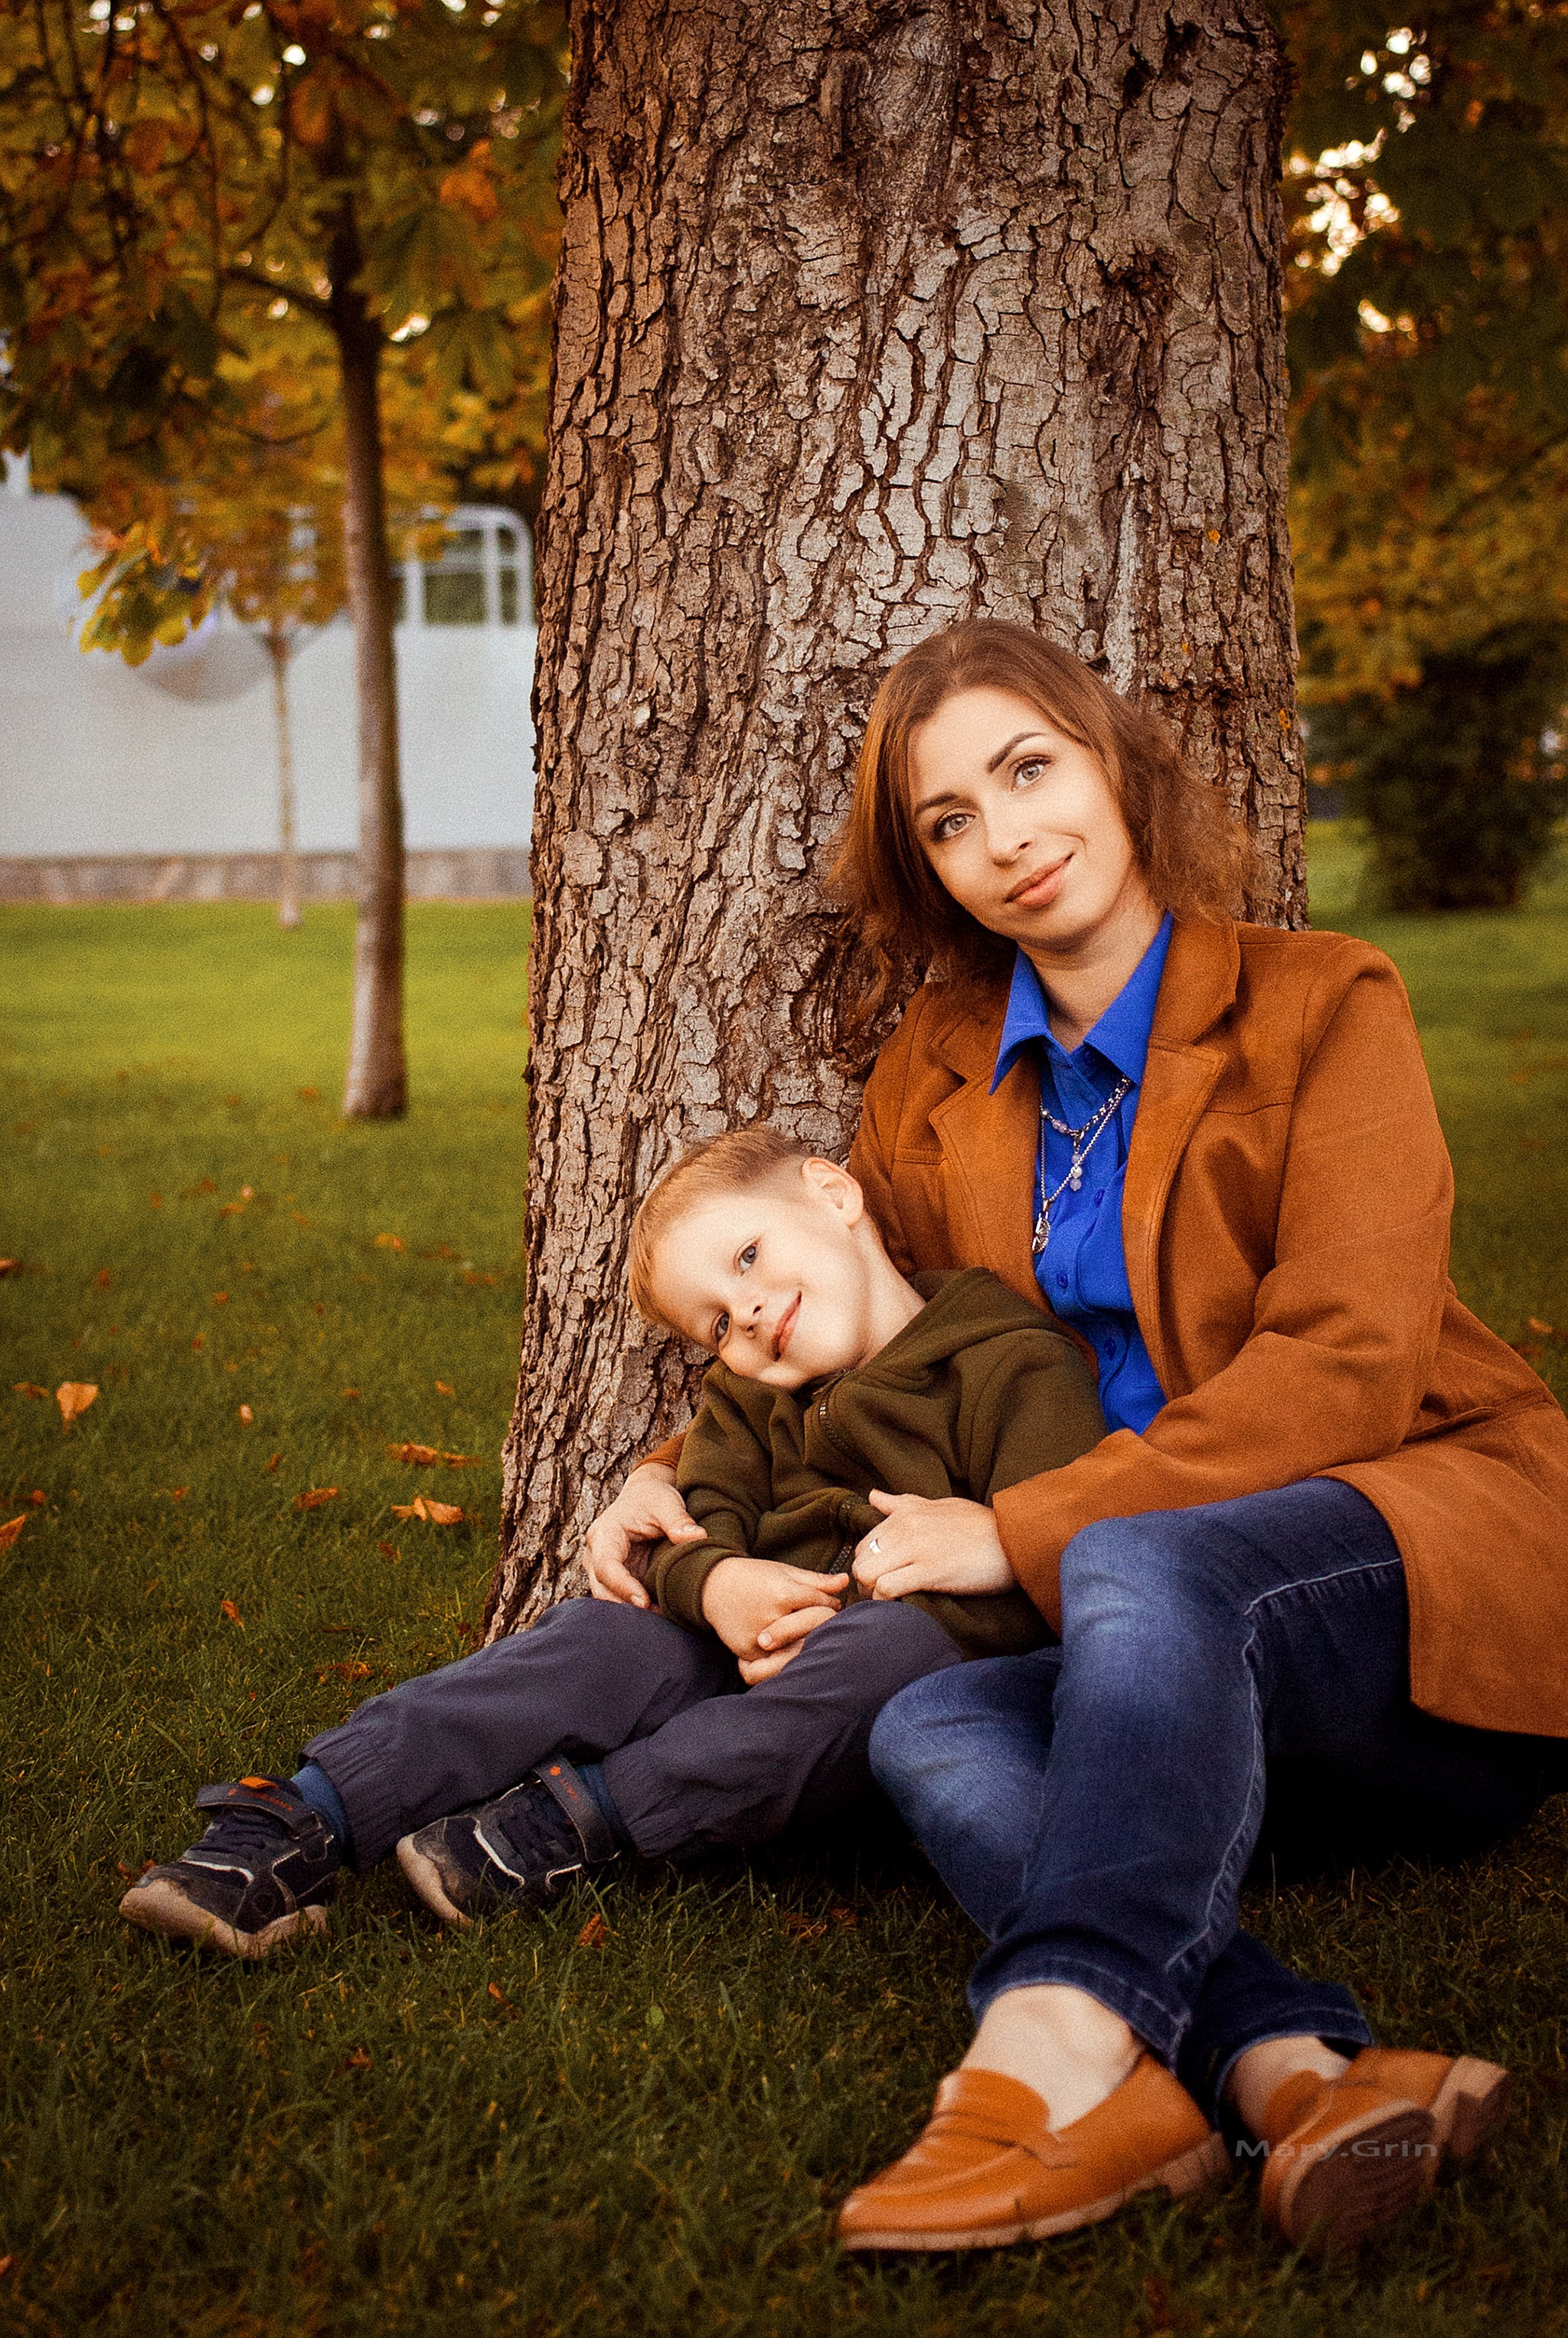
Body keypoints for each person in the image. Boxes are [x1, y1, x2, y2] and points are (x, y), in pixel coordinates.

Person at [583, 617, 1568, 2253]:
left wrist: (1024, 1530)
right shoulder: (939, 1070)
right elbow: (837, 1331)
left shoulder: (1326, 1004)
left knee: (1134, 1561)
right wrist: (662, 1476)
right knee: (932, 1732)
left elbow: (1346, 1361)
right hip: (1163, 1698)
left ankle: (1041, 2053)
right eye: (948, 821)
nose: (1005, 837)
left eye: (1026, 770)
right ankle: (1286, 2072)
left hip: (1408, 1598)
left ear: (1113, 763)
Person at [119, 1127, 1106, 1960]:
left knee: (892, 1654)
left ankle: (571, 1819)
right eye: (718, 1321)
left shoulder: (1008, 1363)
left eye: (750, 1257)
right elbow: (692, 1520)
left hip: (901, 1683)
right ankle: (301, 1816)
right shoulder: (749, 1400)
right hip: (740, 1645)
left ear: (833, 1193)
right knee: (600, 1641)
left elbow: (1056, 1574)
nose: (750, 1313)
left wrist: (954, 1574)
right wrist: (714, 1583)